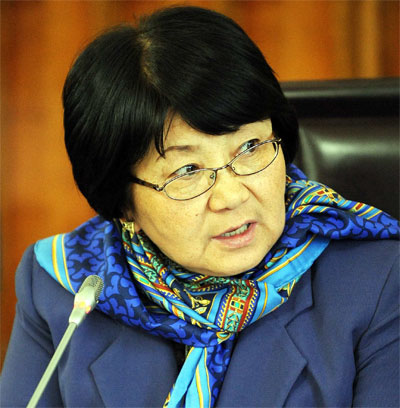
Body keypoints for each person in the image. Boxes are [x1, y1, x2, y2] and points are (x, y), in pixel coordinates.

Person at [1, 6, 399, 408]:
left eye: (250, 147)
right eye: (187, 170)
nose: (232, 197)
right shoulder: (66, 286)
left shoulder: (378, 280)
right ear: (122, 202)